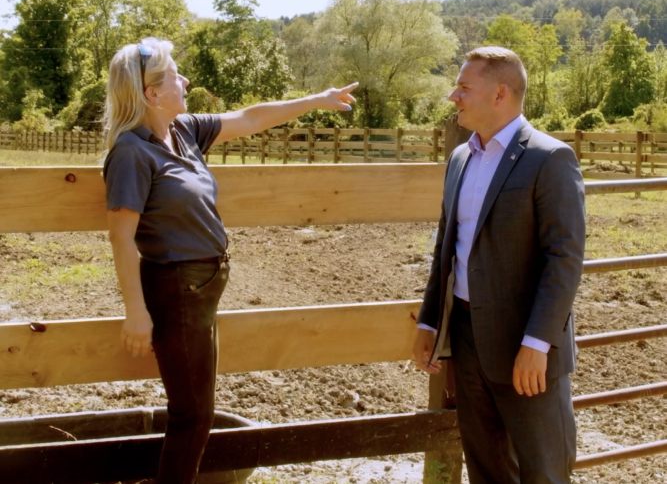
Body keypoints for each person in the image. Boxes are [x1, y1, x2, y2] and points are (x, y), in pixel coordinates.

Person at [103, 37, 356, 484]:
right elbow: (121, 237)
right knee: (193, 416)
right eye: (175, 75)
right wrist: (135, 313)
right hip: (176, 290)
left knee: (197, 411)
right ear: (151, 94)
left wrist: (316, 99)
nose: (186, 80)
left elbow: (252, 117)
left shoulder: (181, 131)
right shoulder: (131, 152)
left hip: (201, 287)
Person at [412, 47, 585, 484]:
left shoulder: (550, 158)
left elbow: (564, 259)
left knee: (545, 472)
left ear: (500, 94)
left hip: (528, 349)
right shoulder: (459, 159)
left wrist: (537, 344)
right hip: (469, 343)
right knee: (487, 469)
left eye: (464, 87)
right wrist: (431, 323)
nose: (454, 96)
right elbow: (445, 248)